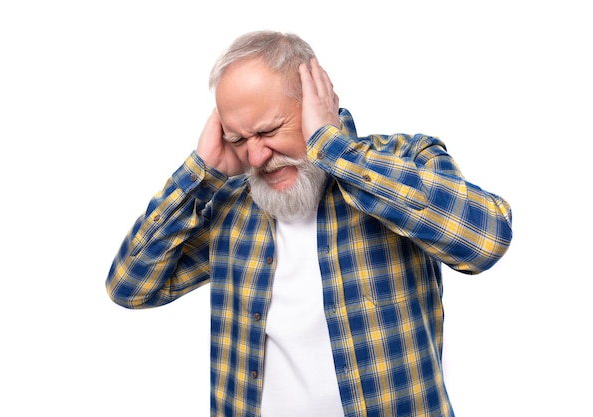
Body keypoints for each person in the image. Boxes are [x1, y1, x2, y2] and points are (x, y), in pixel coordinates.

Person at [106, 30, 513, 417]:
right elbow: (130, 287)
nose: (256, 157)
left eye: (267, 131)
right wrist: (201, 173)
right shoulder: (230, 205)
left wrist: (335, 149)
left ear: (312, 104)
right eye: (238, 140)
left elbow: (485, 240)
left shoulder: (406, 160)